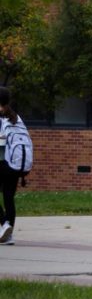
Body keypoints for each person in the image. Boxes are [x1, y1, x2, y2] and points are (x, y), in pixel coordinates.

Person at [0, 87, 32, 246]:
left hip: (7, 163)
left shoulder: (1, 118)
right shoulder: (16, 117)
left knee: (7, 196)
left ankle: (4, 224)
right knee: (8, 197)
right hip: (19, 165)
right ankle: (8, 236)